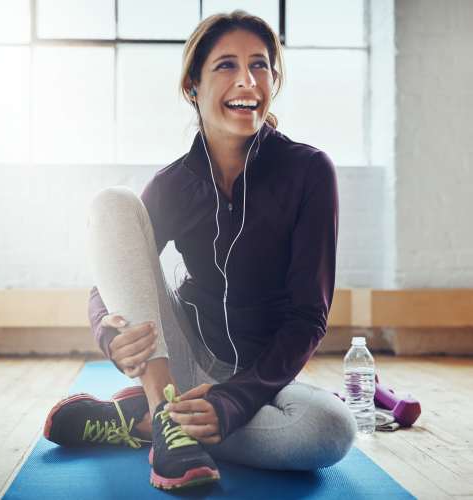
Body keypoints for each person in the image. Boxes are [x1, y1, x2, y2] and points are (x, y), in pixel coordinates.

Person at [44, 10, 357, 491]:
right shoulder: (174, 184)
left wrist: (234, 401)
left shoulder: (309, 172)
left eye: (260, 65)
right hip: (185, 359)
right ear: (193, 86)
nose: (247, 80)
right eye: (226, 66)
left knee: (329, 431)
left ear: (274, 78)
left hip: (263, 379)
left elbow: (308, 317)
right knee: (113, 204)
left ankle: (152, 421)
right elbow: (109, 283)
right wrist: (110, 335)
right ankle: (167, 410)